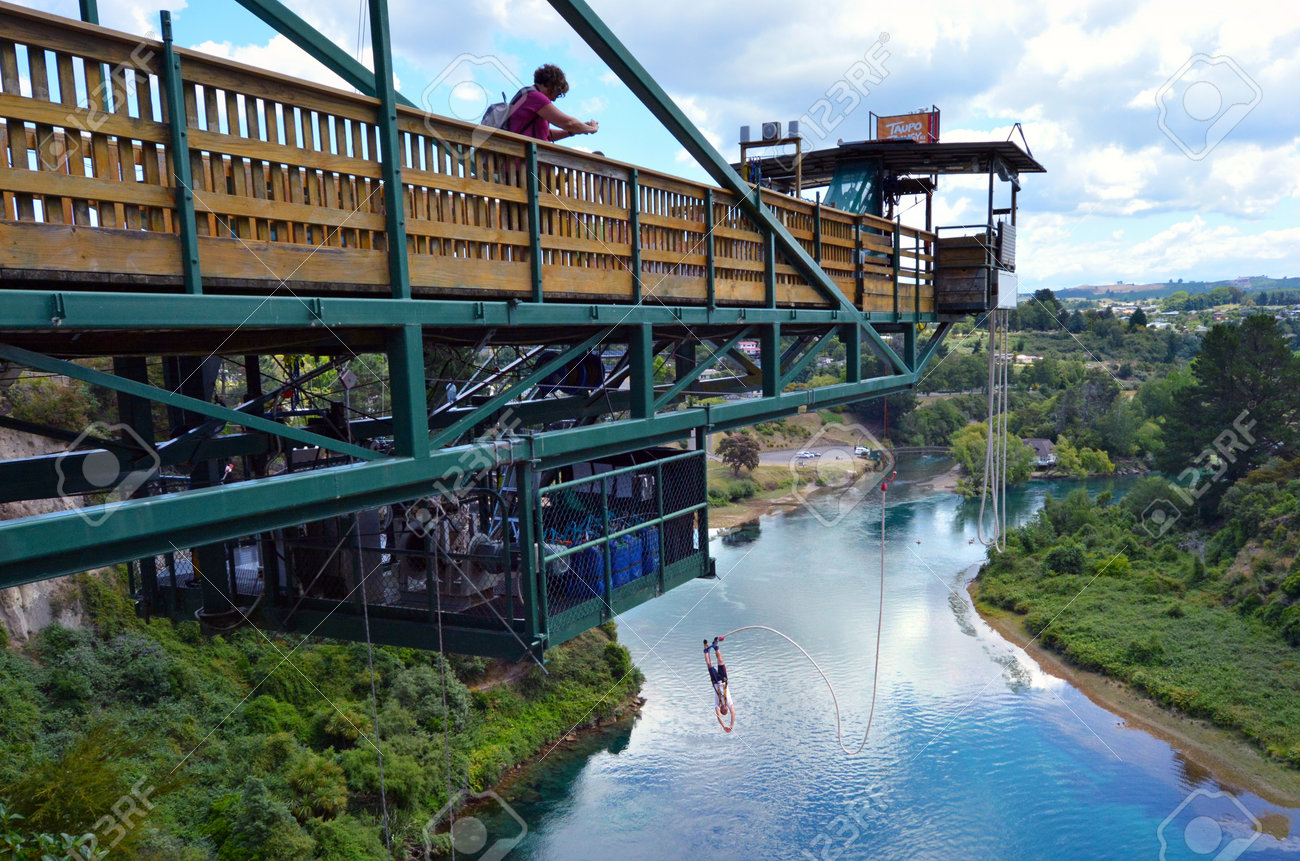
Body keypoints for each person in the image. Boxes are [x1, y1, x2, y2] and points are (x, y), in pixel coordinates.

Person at [506, 64, 598, 143]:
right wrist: (592, 129)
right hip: (523, 161)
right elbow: (569, 123)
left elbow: (547, 135)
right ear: (551, 86)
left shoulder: (525, 94)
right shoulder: (535, 97)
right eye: (557, 94)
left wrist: (572, 131)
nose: (553, 100)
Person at [704, 636, 734, 731]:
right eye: (726, 709)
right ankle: (716, 646)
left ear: (721, 710)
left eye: (723, 710)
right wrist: (731, 725)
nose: (725, 708)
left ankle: (706, 649)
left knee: (709, 665)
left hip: (716, 682)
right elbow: (733, 713)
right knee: (720, 660)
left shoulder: (717, 705)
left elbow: (718, 717)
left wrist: (723, 726)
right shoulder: (729, 703)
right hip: (724, 680)